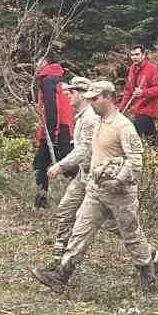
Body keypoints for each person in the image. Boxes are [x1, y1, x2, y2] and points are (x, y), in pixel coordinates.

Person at [34, 79, 158, 292]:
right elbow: (88, 151)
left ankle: (148, 276)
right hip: (96, 190)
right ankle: (60, 276)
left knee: (132, 236)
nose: (91, 102)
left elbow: (135, 160)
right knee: (80, 231)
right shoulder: (97, 122)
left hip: (120, 194)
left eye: (95, 99)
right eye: (90, 98)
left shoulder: (123, 126)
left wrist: (118, 180)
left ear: (108, 98)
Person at [42, 76, 101, 260]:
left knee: (114, 223)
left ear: (83, 95)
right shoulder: (82, 116)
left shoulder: (90, 118)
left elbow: (85, 150)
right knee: (66, 209)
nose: (68, 94)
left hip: (97, 178)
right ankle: (59, 256)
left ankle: (149, 255)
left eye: (72, 92)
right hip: (84, 175)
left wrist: (60, 166)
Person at [33, 58, 74, 209]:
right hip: (64, 128)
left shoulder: (47, 81)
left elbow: (52, 108)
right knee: (44, 164)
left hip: (55, 130)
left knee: (43, 166)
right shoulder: (59, 80)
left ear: (43, 65)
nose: (35, 68)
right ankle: (41, 203)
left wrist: (51, 134)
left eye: (37, 65)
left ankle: (43, 202)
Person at [119, 45, 158, 155]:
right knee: (152, 139)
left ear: (143, 55)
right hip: (137, 110)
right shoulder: (132, 69)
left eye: (137, 54)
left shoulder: (152, 69)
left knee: (132, 135)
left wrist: (144, 92)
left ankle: (131, 158)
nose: (134, 57)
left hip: (148, 110)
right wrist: (120, 109)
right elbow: (128, 91)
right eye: (132, 55)